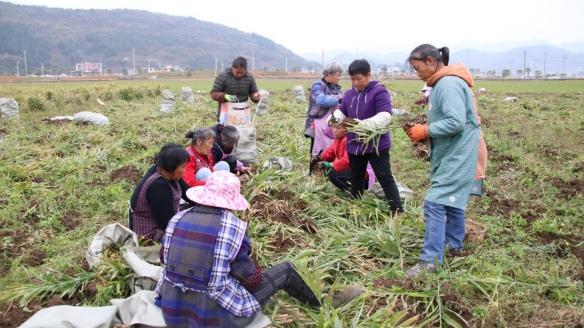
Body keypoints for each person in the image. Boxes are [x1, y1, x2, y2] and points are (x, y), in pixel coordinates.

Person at [155, 171, 321, 327]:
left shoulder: (177, 218)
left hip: (172, 310)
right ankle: (322, 303)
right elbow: (251, 281)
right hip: (212, 318)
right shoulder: (232, 227)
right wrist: (253, 261)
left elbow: (164, 258)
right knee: (286, 270)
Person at [404, 44, 480, 279]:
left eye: (417, 68)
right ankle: (455, 246)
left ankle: (430, 261)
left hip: (457, 154)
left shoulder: (447, 84)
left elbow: (456, 122)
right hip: (453, 153)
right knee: (452, 202)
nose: (417, 73)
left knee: (435, 202)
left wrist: (425, 130)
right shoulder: (441, 83)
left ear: (430, 61)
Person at [330, 59, 403, 213]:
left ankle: (397, 211)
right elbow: (342, 110)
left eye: (359, 78)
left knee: (385, 177)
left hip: (375, 144)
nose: (355, 82)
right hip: (355, 145)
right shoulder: (349, 94)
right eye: (352, 79)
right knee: (356, 177)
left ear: (368, 75)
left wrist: (362, 125)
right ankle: (356, 207)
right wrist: (334, 119)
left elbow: (385, 115)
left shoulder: (379, 91)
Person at [129, 144, 191, 243]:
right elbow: (167, 224)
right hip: (149, 234)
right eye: (183, 167)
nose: (185, 170)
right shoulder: (158, 187)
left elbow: (188, 193)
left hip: (162, 220)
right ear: (171, 167)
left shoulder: (167, 172)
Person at [304, 62, 343, 156]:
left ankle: (331, 170)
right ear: (329, 74)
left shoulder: (337, 88)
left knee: (331, 152)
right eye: (338, 75)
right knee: (318, 153)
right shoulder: (318, 86)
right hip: (318, 126)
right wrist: (340, 99)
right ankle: (315, 169)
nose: (339, 78)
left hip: (331, 125)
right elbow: (321, 100)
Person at [316, 122, 368, 192]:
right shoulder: (338, 139)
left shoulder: (349, 140)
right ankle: (350, 189)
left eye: (338, 128)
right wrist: (320, 157)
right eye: (333, 127)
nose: (334, 130)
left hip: (361, 176)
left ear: (346, 129)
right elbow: (330, 152)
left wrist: (331, 164)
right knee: (327, 169)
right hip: (350, 172)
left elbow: (347, 160)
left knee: (331, 171)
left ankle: (355, 191)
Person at [211, 56, 260, 122]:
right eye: (237, 72)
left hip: (243, 112)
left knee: (244, 130)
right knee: (226, 131)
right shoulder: (222, 76)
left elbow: (253, 91)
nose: (239, 75)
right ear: (232, 68)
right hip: (227, 111)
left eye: (242, 73)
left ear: (245, 70)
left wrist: (255, 96)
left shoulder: (249, 78)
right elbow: (214, 93)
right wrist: (225, 96)